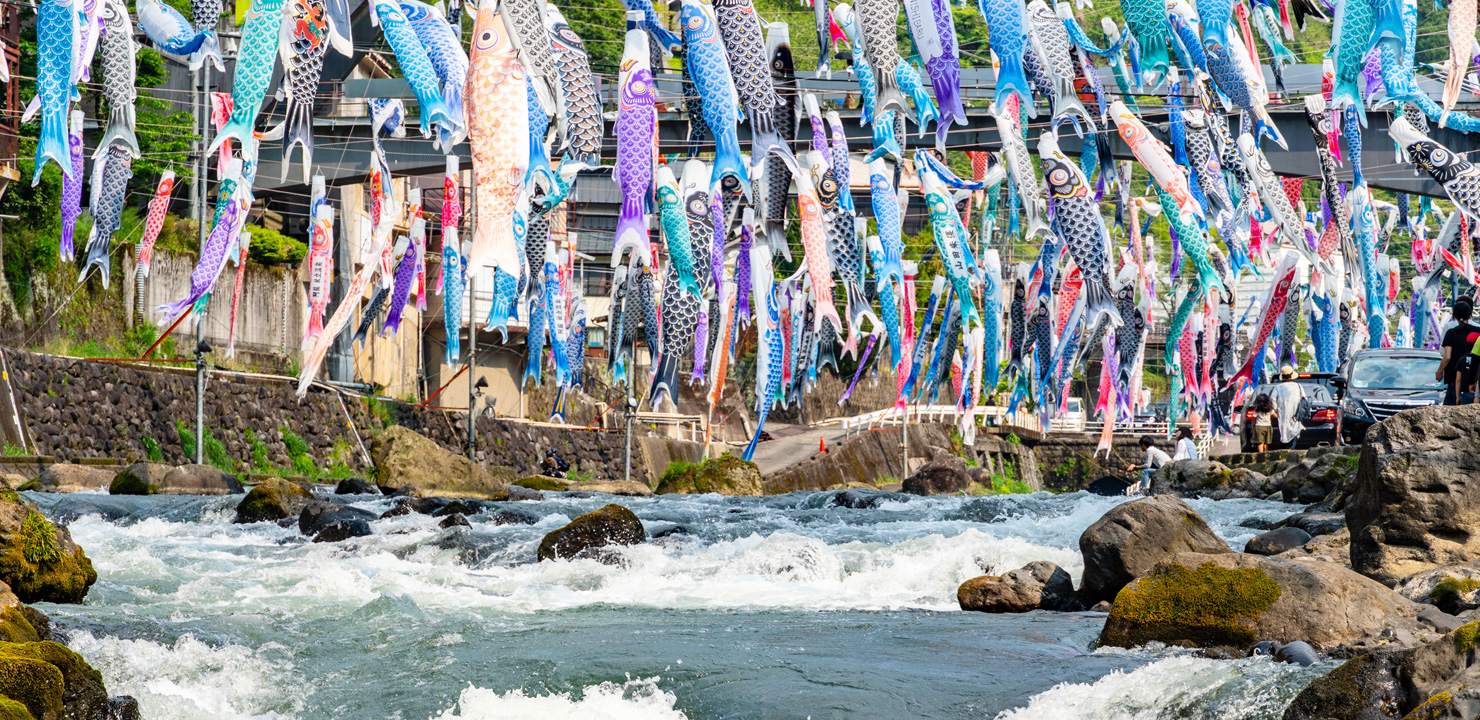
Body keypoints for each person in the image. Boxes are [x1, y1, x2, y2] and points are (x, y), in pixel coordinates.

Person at [1438, 299, 1478, 406]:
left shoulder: (1451, 332)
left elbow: (1447, 356)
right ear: (1470, 314)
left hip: (1453, 374)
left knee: (1451, 409)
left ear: (1454, 315)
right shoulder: (1477, 331)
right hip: (1474, 377)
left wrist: (1439, 372)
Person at [1268, 366, 1306, 449]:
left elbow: (1272, 399)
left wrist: (1275, 409)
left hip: (1282, 414)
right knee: (1294, 431)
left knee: (1284, 432)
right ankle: (1291, 450)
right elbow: (1304, 398)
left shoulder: (1278, 387)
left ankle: (1285, 450)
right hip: (1296, 414)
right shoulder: (1298, 386)